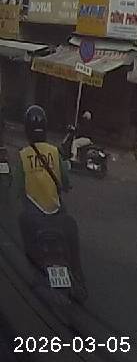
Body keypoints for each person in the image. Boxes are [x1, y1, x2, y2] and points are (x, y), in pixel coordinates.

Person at [13, 105, 85, 301]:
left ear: (27, 129)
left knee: (24, 230)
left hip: (33, 218)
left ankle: (35, 271)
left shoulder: (22, 155)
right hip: (57, 216)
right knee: (72, 231)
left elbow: (17, 188)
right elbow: (66, 182)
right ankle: (78, 279)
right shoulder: (54, 152)